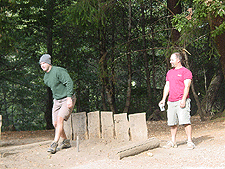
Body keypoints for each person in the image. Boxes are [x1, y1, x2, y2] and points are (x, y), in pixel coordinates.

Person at [159, 52, 195, 150]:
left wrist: (183, 99)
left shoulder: (186, 72)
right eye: (170, 60)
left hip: (182, 100)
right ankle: (173, 142)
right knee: (172, 123)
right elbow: (167, 86)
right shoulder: (170, 72)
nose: (170, 62)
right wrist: (163, 99)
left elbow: (187, 86)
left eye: (172, 60)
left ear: (178, 60)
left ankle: (190, 141)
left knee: (185, 122)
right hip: (171, 101)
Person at [39, 54, 75, 154]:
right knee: (55, 123)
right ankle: (66, 141)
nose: (42, 65)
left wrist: (69, 98)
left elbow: (69, 82)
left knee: (60, 119)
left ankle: (54, 143)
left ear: (49, 63)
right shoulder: (46, 77)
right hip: (57, 100)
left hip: (67, 98)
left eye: (44, 63)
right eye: (41, 64)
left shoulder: (58, 71)